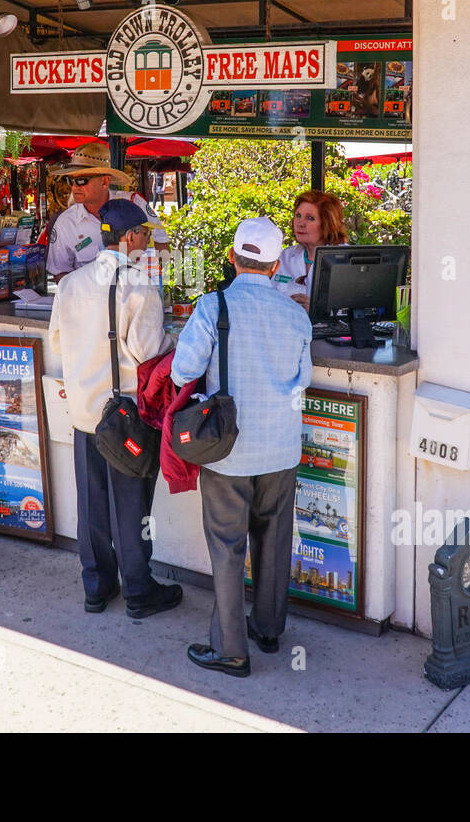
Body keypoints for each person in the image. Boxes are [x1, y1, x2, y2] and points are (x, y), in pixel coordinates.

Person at [171, 217, 313, 677]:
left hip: (227, 450)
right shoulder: (296, 314)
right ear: (275, 266)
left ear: (233, 259)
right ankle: (268, 631)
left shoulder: (213, 307)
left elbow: (181, 371)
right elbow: (303, 379)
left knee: (227, 547)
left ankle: (231, 650)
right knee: (274, 540)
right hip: (281, 449)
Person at [48, 198, 182, 618]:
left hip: (86, 414)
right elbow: (146, 353)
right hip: (126, 416)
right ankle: (139, 591)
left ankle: (96, 587)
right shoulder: (138, 284)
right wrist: (175, 341)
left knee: (91, 505)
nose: (148, 240)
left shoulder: (71, 283)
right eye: (144, 233)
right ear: (129, 237)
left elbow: (56, 342)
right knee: (132, 506)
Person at [45, 143, 168, 279]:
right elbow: (60, 274)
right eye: (71, 180)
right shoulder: (66, 222)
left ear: (104, 181)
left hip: (137, 294)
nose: (74, 188)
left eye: (81, 181)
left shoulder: (134, 204)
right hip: (89, 298)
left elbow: (163, 247)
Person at [273, 190, 349, 308]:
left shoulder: (345, 259)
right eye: (298, 215)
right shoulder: (286, 256)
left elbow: (354, 310)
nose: (300, 223)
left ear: (327, 224)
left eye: (310, 218)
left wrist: (317, 310)